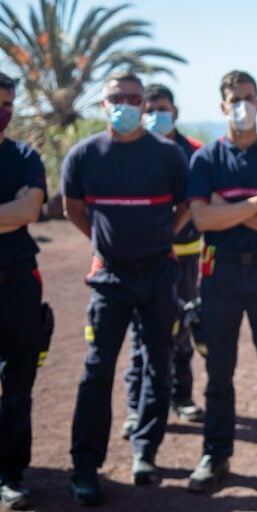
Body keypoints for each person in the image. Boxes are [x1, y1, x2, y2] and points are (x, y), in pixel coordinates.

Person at [62, 71, 189, 506]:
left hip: (158, 275)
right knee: (97, 369)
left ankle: (145, 452)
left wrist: (160, 238)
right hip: (110, 278)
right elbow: (72, 208)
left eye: (134, 97)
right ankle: (85, 467)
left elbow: (186, 204)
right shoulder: (83, 155)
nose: (127, 104)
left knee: (159, 365)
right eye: (118, 97)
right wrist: (104, 245)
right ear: (103, 104)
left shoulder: (169, 155)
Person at [185, 70, 257, 493]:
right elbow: (202, 219)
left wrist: (228, 207)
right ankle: (215, 454)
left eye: (249, 97)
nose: (242, 105)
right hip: (219, 273)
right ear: (222, 106)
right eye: (234, 99)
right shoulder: (205, 160)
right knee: (218, 371)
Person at [120, 83, 205, 440]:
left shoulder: (196, 152)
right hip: (143, 258)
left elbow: (198, 201)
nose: (156, 115)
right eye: (150, 108)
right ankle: (135, 407)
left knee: (183, 323)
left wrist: (170, 230)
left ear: (176, 112)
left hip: (185, 255)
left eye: (163, 108)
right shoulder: (133, 151)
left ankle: (181, 398)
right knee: (142, 332)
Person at [0, 72, 47, 511]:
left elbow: (29, 209)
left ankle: (11, 476)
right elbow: (14, 211)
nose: (3, 112)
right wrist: (7, 210)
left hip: (16, 283)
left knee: (17, 384)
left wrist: (19, 209)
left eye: (9, 104)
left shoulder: (24, 156)